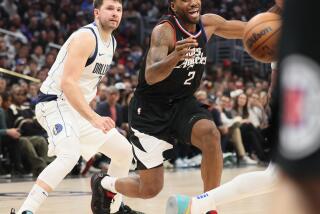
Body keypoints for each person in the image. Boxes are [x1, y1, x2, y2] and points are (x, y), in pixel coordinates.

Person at [91, 0, 248, 212]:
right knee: (150, 189)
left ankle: (209, 206)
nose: (193, 2)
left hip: (182, 102)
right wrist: (175, 56)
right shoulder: (164, 31)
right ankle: (104, 183)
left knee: (211, 134)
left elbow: (251, 30)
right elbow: (151, 75)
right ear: (173, 6)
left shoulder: (209, 24)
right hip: (149, 110)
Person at [12, 1, 140, 214]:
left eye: (118, 10)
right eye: (109, 8)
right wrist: (94, 117)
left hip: (77, 110)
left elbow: (88, 80)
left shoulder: (113, 43)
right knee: (68, 155)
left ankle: (113, 208)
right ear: (97, 12)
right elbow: (68, 83)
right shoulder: (86, 37)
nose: (115, 14)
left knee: (124, 151)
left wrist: (90, 103)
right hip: (55, 103)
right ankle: (27, 210)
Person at [165, 1, 285, 213]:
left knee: (277, 177)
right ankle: (198, 204)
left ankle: (197, 204)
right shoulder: (279, 25)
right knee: (276, 176)